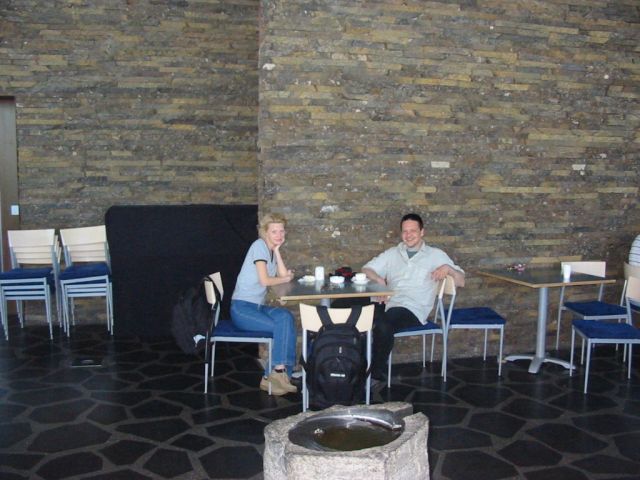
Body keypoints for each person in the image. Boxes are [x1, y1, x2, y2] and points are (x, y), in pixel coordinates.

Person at [361, 213, 465, 383]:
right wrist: (379, 280)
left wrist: (448, 268)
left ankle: (373, 373)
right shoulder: (393, 253)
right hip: (388, 302)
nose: (408, 235)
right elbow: (366, 269)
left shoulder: (435, 255)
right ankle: (341, 365)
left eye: (413, 231)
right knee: (347, 308)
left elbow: (461, 281)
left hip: (412, 308)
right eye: (405, 231)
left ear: (422, 232)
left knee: (382, 324)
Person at [230, 213, 297, 396]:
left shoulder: (270, 250)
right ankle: (278, 374)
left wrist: (277, 250)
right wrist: (285, 278)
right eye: (274, 231)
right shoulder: (259, 246)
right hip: (241, 309)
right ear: (265, 232)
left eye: (281, 231)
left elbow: (281, 275)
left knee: (286, 317)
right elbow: (266, 280)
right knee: (282, 326)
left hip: (256, 307)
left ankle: (275, 377)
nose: (279, 235)